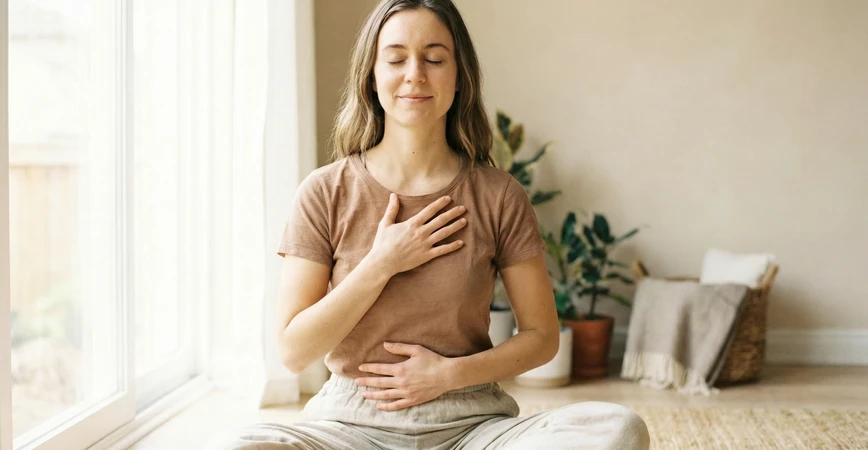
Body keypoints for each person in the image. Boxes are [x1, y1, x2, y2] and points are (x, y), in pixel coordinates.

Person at [208, 0, 649, 448]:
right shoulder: (325, 191)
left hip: (472, 425)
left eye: (435, 58)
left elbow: (541, 338)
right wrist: (381, 264)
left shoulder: (498, 195)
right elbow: (293, 351)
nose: (415, 73)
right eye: (396, 59)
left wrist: (448, 375)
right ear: (372, 75)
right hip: (349, 425)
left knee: (616, 428)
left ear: (458, 77)